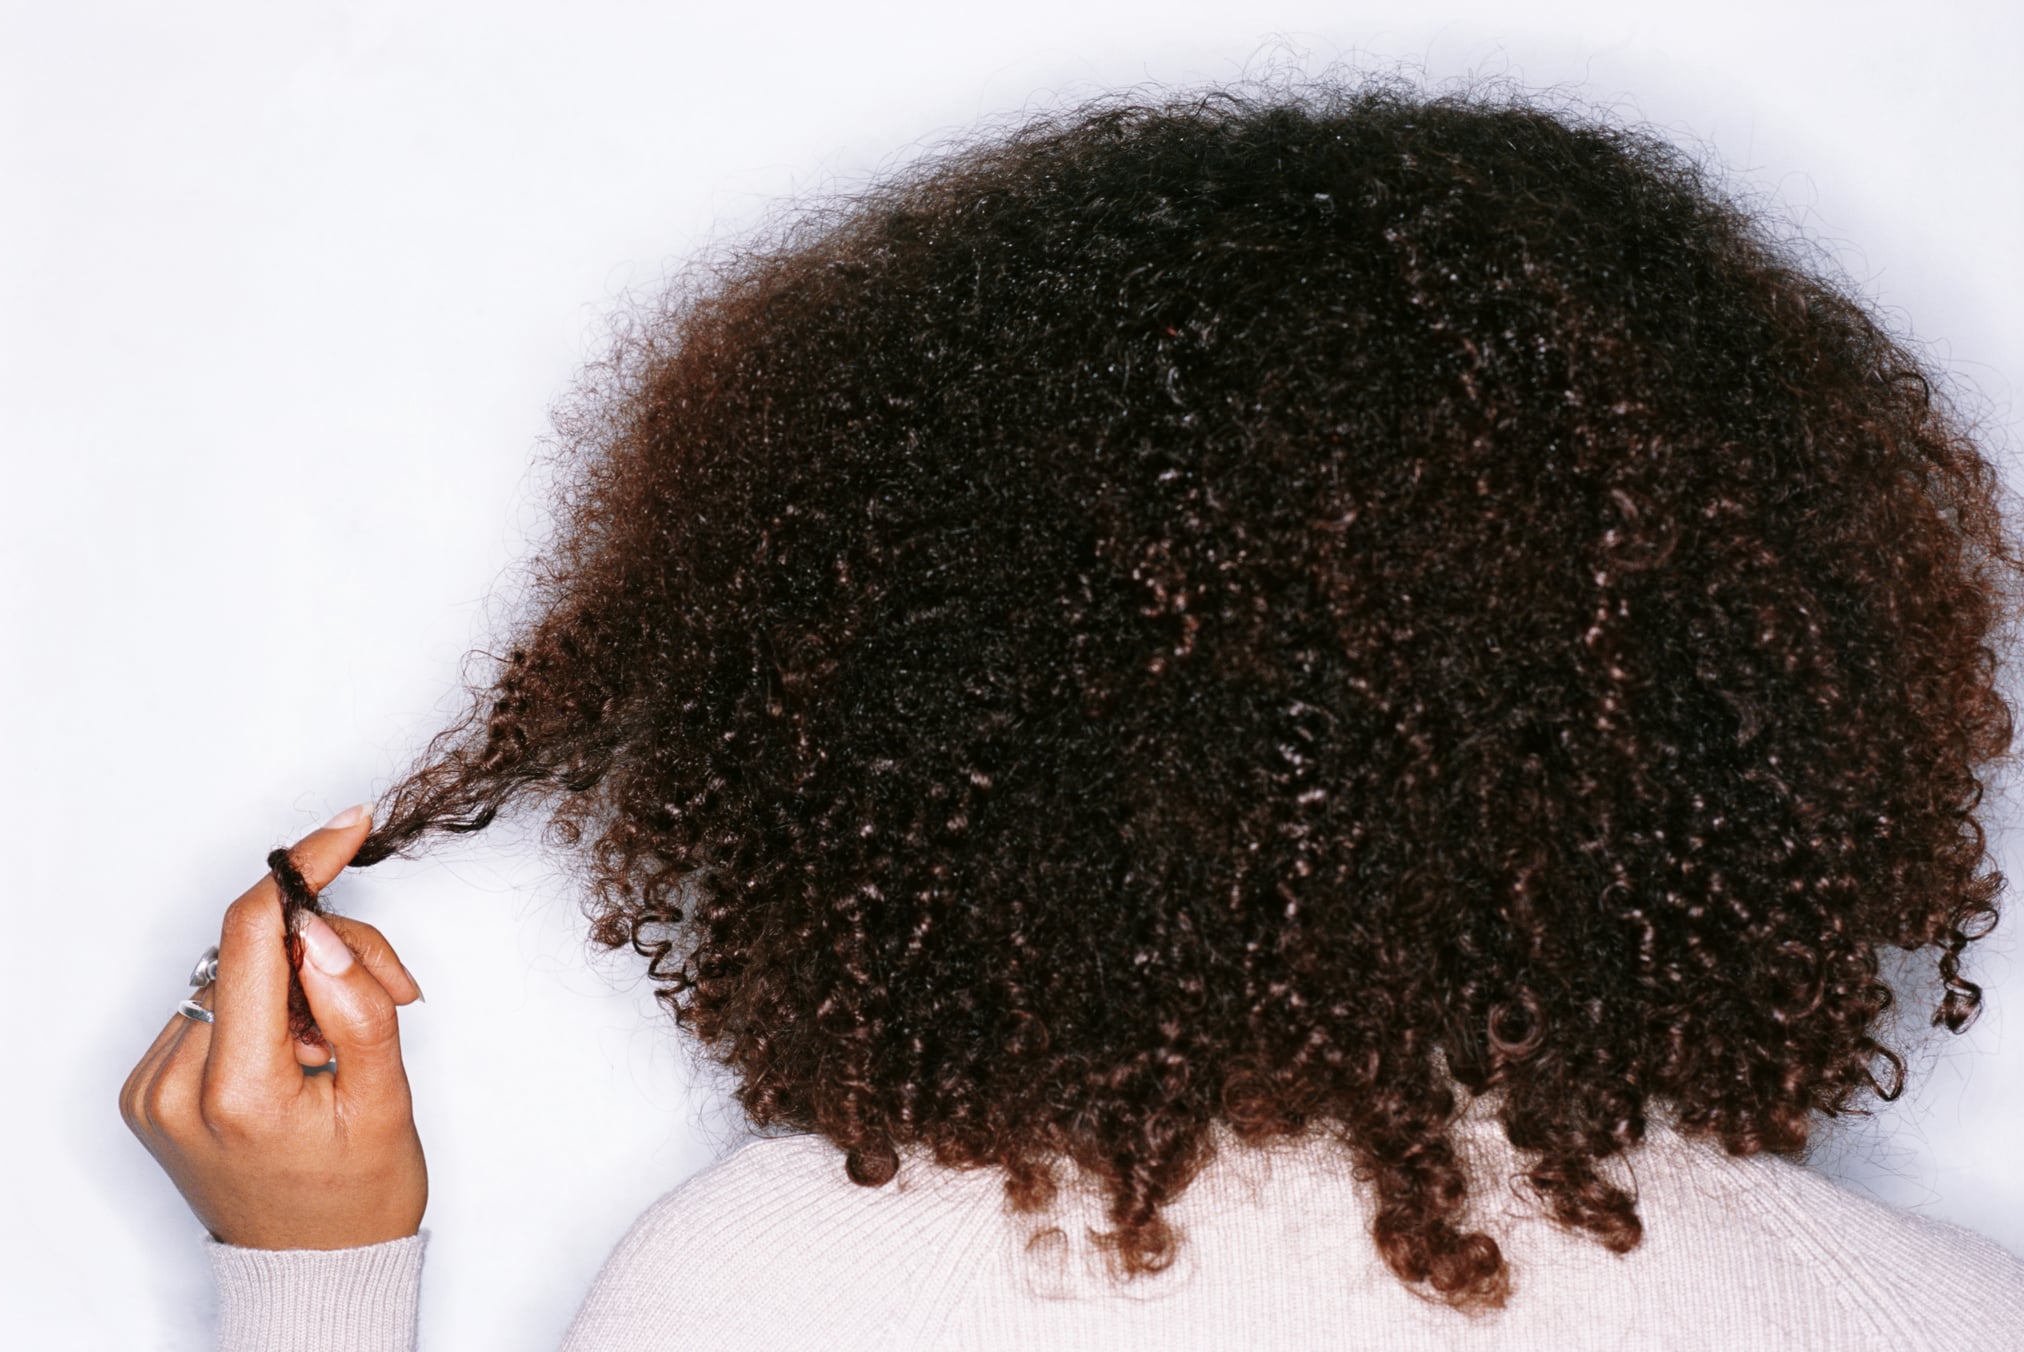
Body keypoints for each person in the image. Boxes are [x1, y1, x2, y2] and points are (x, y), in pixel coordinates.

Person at [118, 70, 2024, 1350]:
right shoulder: (1939, 1315)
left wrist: (314, 1272)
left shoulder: (781, 1290)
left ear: (888, 706)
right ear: (1758, 702)